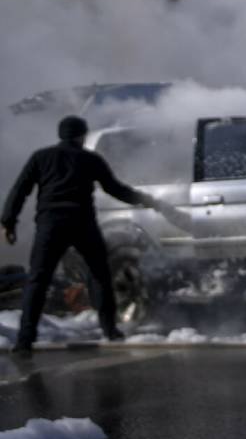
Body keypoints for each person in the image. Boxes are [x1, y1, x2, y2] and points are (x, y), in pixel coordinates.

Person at [2, 115, 156, 357]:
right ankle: (110, 330)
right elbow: (115, 189)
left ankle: (24, 341)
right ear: (82, 136)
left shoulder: (40, 157)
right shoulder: (90, 159)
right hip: (82, 224)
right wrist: (143, 200)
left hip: (50, 225)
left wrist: (8, 222)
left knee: (38, 280)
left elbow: (19, 190)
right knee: (100, 275)